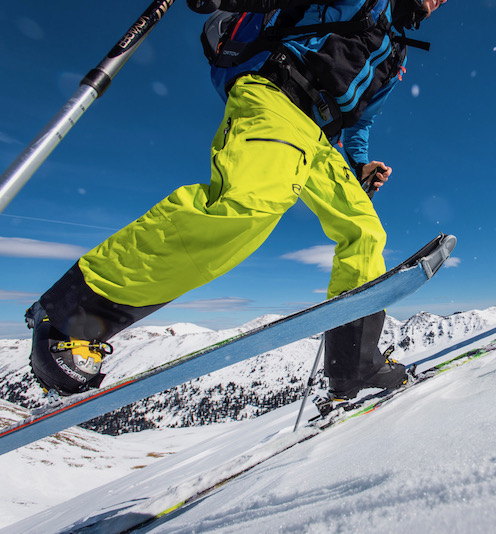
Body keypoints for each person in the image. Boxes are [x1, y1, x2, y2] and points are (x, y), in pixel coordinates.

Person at [24, 0, 448, 400]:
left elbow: (362, 121)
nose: (436, 2)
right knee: (249, 204)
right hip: (277, 98)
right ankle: (68, 317)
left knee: (365, 232)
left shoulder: (395, 56)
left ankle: (354, 366)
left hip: (322, 140)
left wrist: (359, 165)